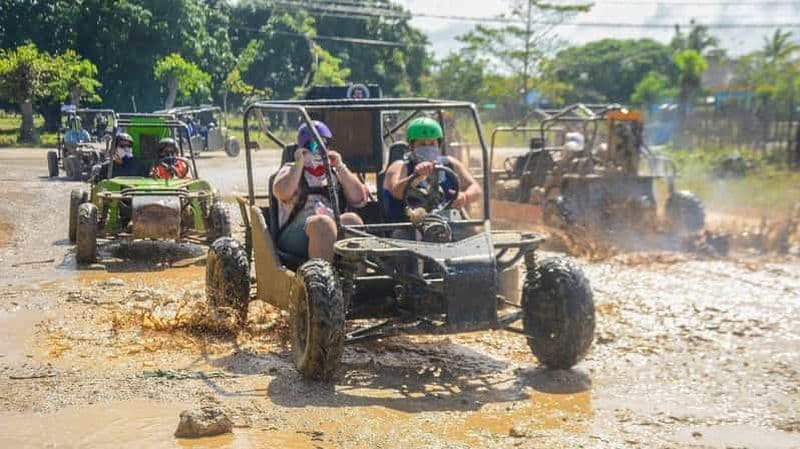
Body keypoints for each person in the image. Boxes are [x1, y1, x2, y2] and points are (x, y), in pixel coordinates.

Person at [272, 120, 367, 262]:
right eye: (313, 145)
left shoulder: (334, 172)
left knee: (352, 220)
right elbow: (282, 192)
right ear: (303, 148)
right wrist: (299, 164)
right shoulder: (290, 169)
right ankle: (323, 281)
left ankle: (357, 278)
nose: (318, 150)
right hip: (296, 234)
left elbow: (359, 199)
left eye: (324, 145)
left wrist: (340, 166)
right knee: (323, 224)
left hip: (330, 226)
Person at [382, 117, 481, 221]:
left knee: (477, 235)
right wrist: (416, 177)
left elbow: (476, 189)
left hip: (448, 224)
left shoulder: (450, 163)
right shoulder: (400, 166)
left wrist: (465, 196)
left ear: (439, 145)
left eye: (432, 144)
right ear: (411, 146)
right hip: (407, 227)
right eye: (422, 144)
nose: (428, 148)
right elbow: (396, 192)